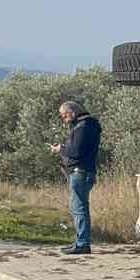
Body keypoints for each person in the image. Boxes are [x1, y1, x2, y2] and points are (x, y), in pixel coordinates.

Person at [49, 100, 101, 254]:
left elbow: (76, 151)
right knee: (79, 207)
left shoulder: (82, 127)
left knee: (79, 208)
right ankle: (80, 242)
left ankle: (82, 244)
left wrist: (61, 149)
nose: (65, 120)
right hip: (85, 171)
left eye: (65, 117)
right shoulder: (90, 125)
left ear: (72, 112)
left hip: (80, 172)